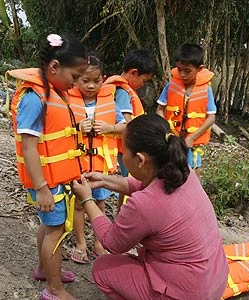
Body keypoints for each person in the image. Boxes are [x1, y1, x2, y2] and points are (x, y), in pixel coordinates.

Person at [72, 114, 228, 300]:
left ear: (139, 159)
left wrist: (87, 200)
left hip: (186, 293)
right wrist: (105, 180)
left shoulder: (142, 205)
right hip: (214, 282)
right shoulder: (183, 172)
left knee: (102, 268)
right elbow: (146, 186)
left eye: (124, 149)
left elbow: (111, 243)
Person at [10, 33, 88, 300]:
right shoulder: (35, 97)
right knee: (55, 231)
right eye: (75, 77)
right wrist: (42, 188)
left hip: (56, 179)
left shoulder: (55, 91)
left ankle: (45, 270)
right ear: (54, 67)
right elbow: (29, 146)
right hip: (47, 182)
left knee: (49, 227)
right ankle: (53, 290)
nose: (76, 84)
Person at [68, 53, 126, 262]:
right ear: (75, 79)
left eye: (97, 81)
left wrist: (110, 127)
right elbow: (59, 129)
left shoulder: (110, 102)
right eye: (85, 81)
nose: (91, 86)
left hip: (100, 167)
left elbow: (125, 125)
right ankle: (81, 243)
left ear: (104, 78)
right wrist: (76, 128)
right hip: (78, 165)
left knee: (100, 203)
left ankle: (99, 243)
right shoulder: (68, 101)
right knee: (79, 205)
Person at [104, 49, 157, 212]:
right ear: (134, 72)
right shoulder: (122, 93)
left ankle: (122, 215)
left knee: (128, 185)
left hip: (129, 148)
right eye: (143, 80)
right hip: (128, 149)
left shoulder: (124, 90)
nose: (143, 84)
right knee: (132, 185)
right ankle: (126, 218)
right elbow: (127, 124)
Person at [156, 43, 216, 179]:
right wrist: (168, 130)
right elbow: (160, 110)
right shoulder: (171, 86)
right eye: (179, 69)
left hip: (193, 141)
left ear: (199, 69)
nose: (182, 74)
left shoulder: (206, 90)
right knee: (169, 168)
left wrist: (192, 138)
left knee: (193, 170)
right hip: (172, 138)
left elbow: (211, 118)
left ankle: (193, 197)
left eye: (187, 71)